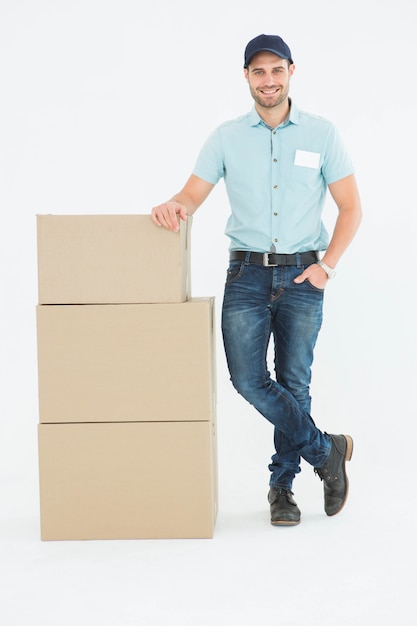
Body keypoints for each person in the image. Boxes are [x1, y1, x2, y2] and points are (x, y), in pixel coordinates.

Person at [151, 33, 362, 526]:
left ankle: (281, 489)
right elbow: (190, 196)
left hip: (304, 274)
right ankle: (325, 451)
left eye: (276, 70)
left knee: (293, 383)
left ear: (291, 71)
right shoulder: (225, 137)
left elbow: (351, 208)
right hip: (245, 274)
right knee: (248, 380)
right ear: (246, 76)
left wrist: (326, 266)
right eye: (258, 71)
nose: (268, 80)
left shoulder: (322, 134)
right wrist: (171, 206)